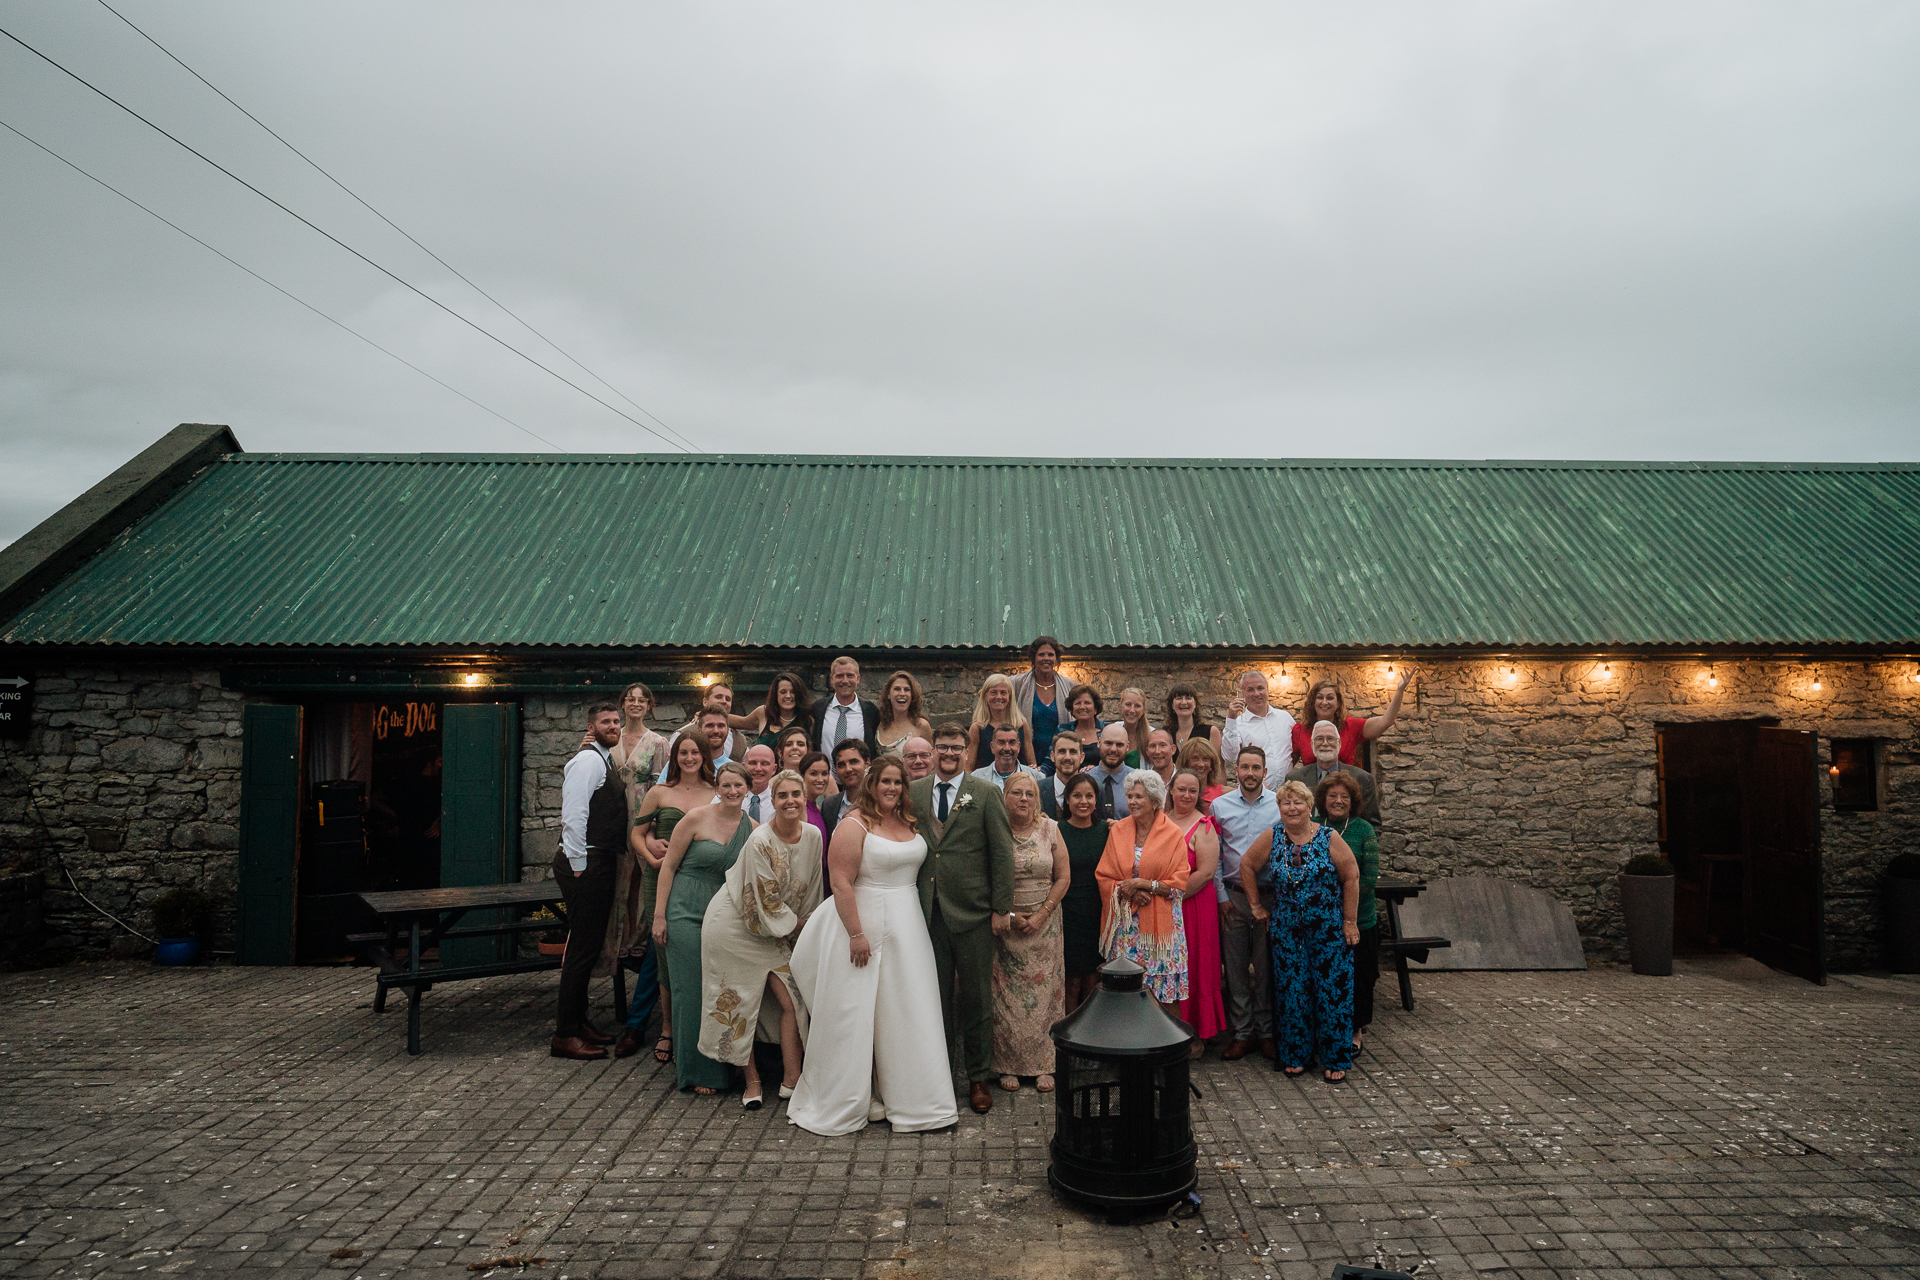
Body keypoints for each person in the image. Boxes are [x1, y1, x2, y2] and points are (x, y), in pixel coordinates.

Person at [787, 758, 959, 1135]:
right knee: (856, 1013)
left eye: (898, 782)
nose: (892, 788)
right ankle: (852, 1098)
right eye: (885, 781)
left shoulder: (909, 823)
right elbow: (841, 882)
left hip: (908, 926)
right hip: (864, 923)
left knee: (907, 1008)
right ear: (872, 784)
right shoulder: (854, 824)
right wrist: (856, 934)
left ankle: (911, 1099)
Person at [699, 769, 823, 1109]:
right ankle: (751, 1080)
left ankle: (792, 1079)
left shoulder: (813, 835)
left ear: (804, 797)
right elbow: (764, 900)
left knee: (792, 1000)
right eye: (782, 796)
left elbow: (812, 889)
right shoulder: (760, 841)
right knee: (738, 1002)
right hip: (735, 926)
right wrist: (797, 926)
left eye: (795, 794)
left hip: (777, 926)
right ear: (773, 800)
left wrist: (807, 932)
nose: (790, 801)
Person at [910, 723, 1016, 1115]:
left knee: (976, 1000)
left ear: (968, 751)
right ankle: (938, 1077)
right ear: (933, 750)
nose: (948, 754)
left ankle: (977, 1079)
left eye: (956, 747)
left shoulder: (986, 793)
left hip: (973, 913)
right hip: (928, 911)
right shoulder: (916, 791)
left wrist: (1000, 908)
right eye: (942, 747)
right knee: (933, 1000)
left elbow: (1002, 854)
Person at [1238, 779, 1360, 1082]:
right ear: (1279, 808)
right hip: (1287, 931)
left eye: (1298, 802)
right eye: (1285, 803)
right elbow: (1247, 865)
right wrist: (1255, 906)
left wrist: (1350, 921)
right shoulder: (1273, 836)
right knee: (1293, 992)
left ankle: (1336, 1058)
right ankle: (1296, 1055)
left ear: (1310, 807)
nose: (1292, 808)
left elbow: (1352, 875)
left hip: (1329, 930)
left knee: (1333, 993)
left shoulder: (1329, 836)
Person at [653, 761, 756, 1095]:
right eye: (725, 785)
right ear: (717, 789)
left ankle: (723, 1064)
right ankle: (695, 1072)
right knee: (690, 990)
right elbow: (668, 867)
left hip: (724, 916)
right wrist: (659, 916)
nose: (732, 791)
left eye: (738, 786)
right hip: (684, 909)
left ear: (748, 789)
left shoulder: (753, 828)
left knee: (719, 989)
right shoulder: (696, 818)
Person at [623, 733, 717, 1062]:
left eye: (695, 752)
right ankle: (668, 1028)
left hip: (699, 880)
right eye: (683, 753)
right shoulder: (659, 793)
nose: (689, 758)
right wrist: (649, 853)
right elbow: (636, 834)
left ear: (705, 755)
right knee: (662, 950)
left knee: (699, 949)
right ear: (674, 757)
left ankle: (700, 1026)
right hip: (659, 875)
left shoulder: (717, 792)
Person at [551, 704, 626, 1060]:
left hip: (599, 859)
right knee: (581, 949)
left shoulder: (604, 758)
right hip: (587, 862)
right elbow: (574, 813)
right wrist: (579, 864)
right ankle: (565, 1034)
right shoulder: (588, 761)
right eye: (605, 722)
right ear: (590, 726)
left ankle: (578, 1021)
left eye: (616, 721)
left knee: (588, 944)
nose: (613, 726)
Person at [992, 772, 1069, 1093]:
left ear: (1038, 799)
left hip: (1045, 925)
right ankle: (1007, 1065)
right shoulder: (994, 831)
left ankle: (1044, 1066)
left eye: (1030, 794)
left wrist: (1041, 914)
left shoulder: (1050, 829)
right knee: (1006, 1000)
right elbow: (983, 879)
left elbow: (1063, 876)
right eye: (1016, 793)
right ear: (1004, 796)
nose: (1024, 799)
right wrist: (1006, 916)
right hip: (1005, 927)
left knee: (1045, 998)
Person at [1096, 772, 1188, 1010]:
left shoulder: (1174, 834)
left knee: (1164, 996)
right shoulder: (1118, 831)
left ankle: (1169, 1046)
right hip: (1127, 928)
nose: (1132, 801)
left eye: (1139, 796)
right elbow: (1105, 876)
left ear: (1155, 801)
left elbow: (1179, 884)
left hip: (1162, 933)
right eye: (1129, 796)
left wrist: (1146, 885)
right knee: (1127, 994)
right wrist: (1129, 892)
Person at [1211, 745, 1280, 1062]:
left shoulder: (1279, 807)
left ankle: (1265, 1032)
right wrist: (1222, 897)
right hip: (1233, 898)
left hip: (1269, 897)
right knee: (1236, 969)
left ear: (1265, 772)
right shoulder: (1220, 806)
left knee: (1266, 969)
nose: (1250, 773)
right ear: (1235, 771)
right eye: (1244, 767)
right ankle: (1241, 1034)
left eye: (1256, 768)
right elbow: (1216, 856)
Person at [604, 684, 668, 973]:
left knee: (644, 876)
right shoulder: (609, 739)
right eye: (630, 699)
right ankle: (615, 941)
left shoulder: (657, 742)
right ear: (623, 703)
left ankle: (640, 935)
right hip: (614, 814)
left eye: (642, 700)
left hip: (643, 812)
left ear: (649, 706)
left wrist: (653, 823)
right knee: (619, 876)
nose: (636, 704)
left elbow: (661, 786)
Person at [1316, 772, 1380, 1053]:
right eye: (1332, 796)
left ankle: (1355, 1029)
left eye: (1344, 797)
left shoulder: (1363, 829)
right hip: (1320, 920)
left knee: (1359, 977)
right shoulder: (1313, 825)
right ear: (1322, 800)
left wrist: (1344, 909)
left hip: (1360, 919)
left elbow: (1368, 878)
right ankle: (1325, 1027)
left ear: (1353, 801)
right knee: (1325, 976)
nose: (1338, 801)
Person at [1165, 769, 1224, 1057]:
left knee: (1195, 967)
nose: (1186, 795)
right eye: (1181, 789)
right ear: (1171, 790)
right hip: (1163, 909)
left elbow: (1206, 872)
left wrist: (1172, 898)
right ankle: (1168, 1031)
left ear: (1199, 794)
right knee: (1169, 970)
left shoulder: (1204, 826)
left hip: (1194, 906)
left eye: (1192, 790)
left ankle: (1196, 1034)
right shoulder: (1159, 822)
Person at [1290, 666, 1419, 768]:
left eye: (1330, 698)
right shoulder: (1300, 731)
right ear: (1313, 702)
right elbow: (1289, 764)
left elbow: (1386, 721)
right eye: (1319, 697)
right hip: (1312, 794)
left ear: (1338, 703)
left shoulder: (1351, 726)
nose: (1324, 702)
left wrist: (1399, 691)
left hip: (1345, 792)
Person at [1054, 772, 1109, 1012]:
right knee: (1071, 981)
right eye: (1077, 796)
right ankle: (1067, 1038)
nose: (1083, 801)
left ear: (1096, 800)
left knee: (1092, 980)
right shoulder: (1057, 830)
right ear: (1067, 800)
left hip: (1097, 913)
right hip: (1067, 913)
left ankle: (1090, 1038)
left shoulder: (1106, 830)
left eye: (1089, 796)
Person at [1284, 721, 1382, 824]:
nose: (1325, 743)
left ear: (1339, 744)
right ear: (1312, 745)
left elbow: (1374, 826)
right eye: (1319, 739)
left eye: (1330, 738)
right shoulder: (1295, 779)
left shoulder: (1362, 779)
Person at [1222, 670, 1297, 789]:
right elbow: (1229, 756)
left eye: (1260, 688)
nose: (1256, 693)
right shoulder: (1239, 723)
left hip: (1287, 794)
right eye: (1250, 690)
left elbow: (1297, 748)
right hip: (1256, 794)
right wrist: (1231, 718)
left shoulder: (1285, 718)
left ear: (1268, 690)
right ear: (1243, 694)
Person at [1010, 636, 1077, 769]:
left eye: (1050, 654)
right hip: (1025, 757)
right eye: (1041, 654)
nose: (1046, 658)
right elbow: (993, 688)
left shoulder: (1070, 686)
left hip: (1060, 759)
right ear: (1034, 658)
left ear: (1057, 659)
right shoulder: (1018, 683)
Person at [812, 655, 881, 756]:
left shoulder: (871, 711)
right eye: (839, 676)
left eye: (850, 676)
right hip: (825, 771)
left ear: (858, 678)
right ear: (832, 679)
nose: (845, 681)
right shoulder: (818, 709)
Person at [967, 672, 1036, 770]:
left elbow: (1032, 765)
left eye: (1003, 692)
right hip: (987, 782)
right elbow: (968, 768)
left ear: (1010, 696)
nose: (999, 697)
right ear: (985, 696)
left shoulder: (1022, 725)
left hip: (1017, 782)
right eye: (993, 692)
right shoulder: (977, 728)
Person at [728, 671, 815, 748]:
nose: (788, 696)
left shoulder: (809, 720)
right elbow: (741, 722)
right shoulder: (763, 712)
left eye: (793, 692)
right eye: (783, 692)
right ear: (775, 694)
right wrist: (715, 713)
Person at [666, 686, 750, 766]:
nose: (724, 701)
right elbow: (670, 767)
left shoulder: (740, 740)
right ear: (705, 702)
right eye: (718, 697)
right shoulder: (681, 735)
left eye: (728, 699)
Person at [819, 739, 871, 850]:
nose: (848, 769)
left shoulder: (879, 802)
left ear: (867, 763)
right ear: (836, 770)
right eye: (841, 765)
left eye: (853, 762)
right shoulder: (829, 806)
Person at [874, 670, 934, 756]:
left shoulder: (921, 726)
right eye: (897, 689)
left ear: (912, 695)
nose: (902, 693)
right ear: (889, 695)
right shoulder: (880, 723)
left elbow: (930, 759)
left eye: (906, 690)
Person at [972, 724, 1044, 792]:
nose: (1007, 748)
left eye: (1012, 742)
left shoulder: (1037, 778)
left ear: (1018, 747)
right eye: (1001, 742)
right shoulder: (976, 777)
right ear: (992, 747)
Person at [1084, 723, 1134, 819]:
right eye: (1108, 743)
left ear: (1127, 747)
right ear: (1099, 743)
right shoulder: (1085, 779)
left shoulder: (1138, 781)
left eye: (1119, 745)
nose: (1113, 749)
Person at [1165, 683, 1222, 754]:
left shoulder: (1210, 732)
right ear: (1172, 705)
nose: (1184, 702)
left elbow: (1218, 764)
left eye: (1188, 698)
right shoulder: (1165, 734)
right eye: (1178, 698)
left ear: (1195, 704)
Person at [1174, 737, 1226, 810]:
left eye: (1205, 759)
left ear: (1212, 764)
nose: (1201, 764)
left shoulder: (1225, 794)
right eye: (1195, 758)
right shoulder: (1174, 793)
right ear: (1186, 763)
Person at [1040, 731, 1084, 819]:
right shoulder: (1037, 790)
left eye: (1073, 752)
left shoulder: (1095, 790)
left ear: (1081, 757)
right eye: (1062, 751)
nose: (1067, 757)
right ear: (1052, 756)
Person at [1062, 686, 1107, 771]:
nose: (1082, 707)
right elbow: (1052, 760)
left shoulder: (1107, 729)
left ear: (1095, 709)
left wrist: (1096, 770)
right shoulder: (1063, 729)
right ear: (1072, 708)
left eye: (1087, 703)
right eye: (1078, 703)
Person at [798, 750, 834, 846]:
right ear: (802, 776)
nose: (820, 779)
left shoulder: (818, 809)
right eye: (813, 774)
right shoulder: (799, 808)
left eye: (824, 773)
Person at [741, 744, 778, 824]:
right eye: (753, 763)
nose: (758, 768)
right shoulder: (726, 798)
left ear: (774, 769)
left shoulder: (780, 802)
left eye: (764, 763)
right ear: (743, 767)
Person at [1115, 687, 1151, 767]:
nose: (1132, 710)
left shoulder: (1151, 734)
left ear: (1143, 710)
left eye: (1137, 706)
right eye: (1128, 704)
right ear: (1120, 706)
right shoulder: (1113, 730)